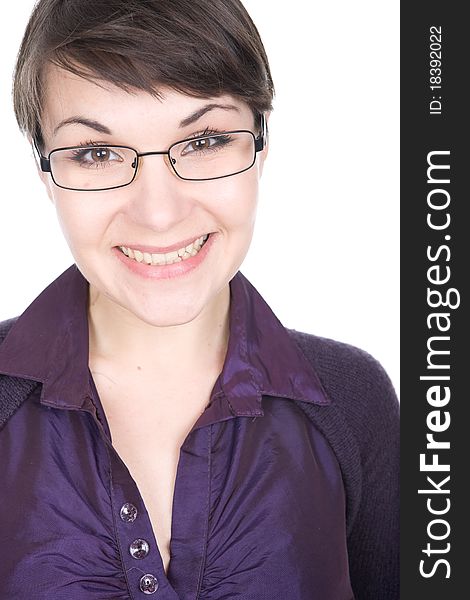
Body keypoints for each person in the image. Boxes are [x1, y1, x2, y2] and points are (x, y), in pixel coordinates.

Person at [0, 1, 399, 598]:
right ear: (44, 170)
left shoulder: (352, 400)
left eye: (206, 140)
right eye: (96, 153)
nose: (158, 213)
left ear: (260, 148)